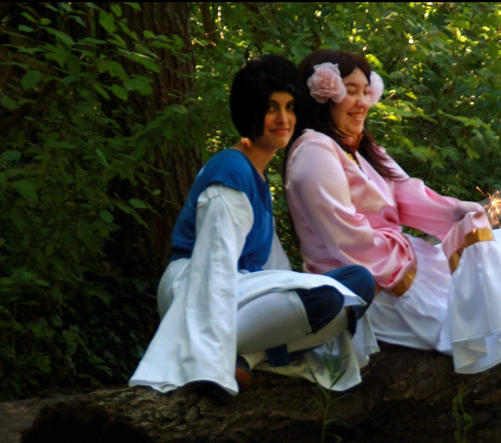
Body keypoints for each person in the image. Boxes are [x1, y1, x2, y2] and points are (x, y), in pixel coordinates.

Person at [284, 50, 501, 375]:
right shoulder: (314, 151)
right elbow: (344, 236)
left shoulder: (357, 148)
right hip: (366, 282)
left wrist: (457, 211)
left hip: (398, 259)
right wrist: (402, 260)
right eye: (350, 91)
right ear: (322, 96)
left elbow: (404, 193)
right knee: (469, 314)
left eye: (364, 91)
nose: (361, 102)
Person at [129, 56, 377, 397]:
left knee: (357, 284)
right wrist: (207, 352)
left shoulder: (258, 176)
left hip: (244, 290)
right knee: (324, 298)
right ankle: (207, 355)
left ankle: (249, 355)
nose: (283, 119)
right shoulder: (231, 172)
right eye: (270, 108)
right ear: (249, 112)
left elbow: (274, 266)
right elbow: (213, 265)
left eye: (290, 107)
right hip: (196, 290)